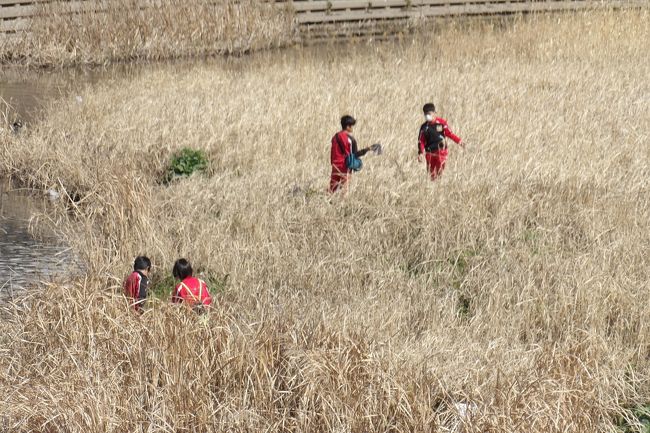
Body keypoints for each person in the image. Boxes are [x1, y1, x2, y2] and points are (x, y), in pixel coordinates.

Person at [329, 115, 379, 193]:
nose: (352, 128)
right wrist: (368, 149)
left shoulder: (335, 137)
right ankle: (343, 204)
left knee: (332, 189)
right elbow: (354, 154)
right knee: (345, 190)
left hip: (335, 165)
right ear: (348, 126)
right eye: (352, 126)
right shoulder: (350, 139)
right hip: (344, 166)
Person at [417, 103, 464, 180]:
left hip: (441, 151)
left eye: (429, 114)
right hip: (429, 153)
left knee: (440, 170)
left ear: (434, 113)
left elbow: (450, 134)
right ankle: (434, 186)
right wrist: (421, 153)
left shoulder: (442, 123)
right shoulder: (424, 127)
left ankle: (440, 182)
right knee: (432, 173)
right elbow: (421, 141)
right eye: (425, 114)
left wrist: (459, 141)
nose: (427, 116)